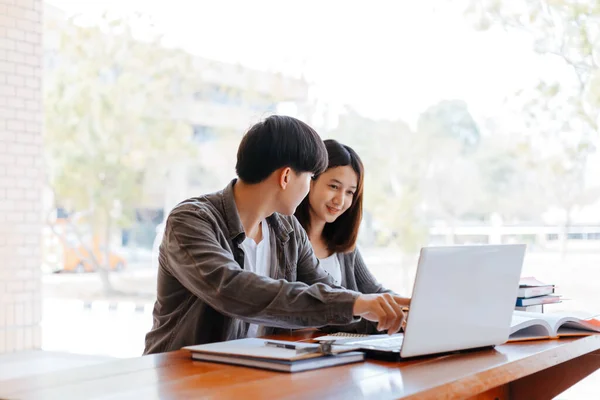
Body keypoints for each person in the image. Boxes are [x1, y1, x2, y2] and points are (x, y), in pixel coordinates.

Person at [143, 116, 409, 354]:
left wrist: (398, 317)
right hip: (180, 378)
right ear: (286, 177)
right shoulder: (191, 220)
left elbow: (328, 297)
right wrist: (357, 302)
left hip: (253, 377)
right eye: (310, 177)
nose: (308, 187)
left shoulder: (289, 231)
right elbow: (231, 289)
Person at [295, 139, 395, 333]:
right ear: (310, 180)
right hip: (299, 349)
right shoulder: (286, 241)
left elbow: (374, 293)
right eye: (333, 186)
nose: (340, 200)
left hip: (339, 353)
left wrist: (413, 307)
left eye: (350, 192)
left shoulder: (342, 245)